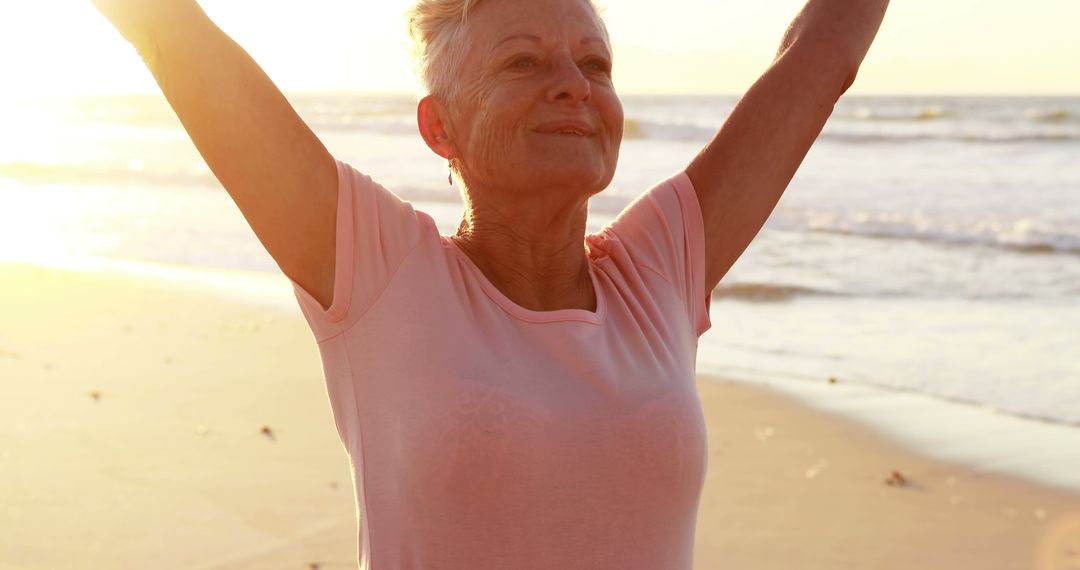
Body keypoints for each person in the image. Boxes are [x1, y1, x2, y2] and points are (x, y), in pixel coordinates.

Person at [91, 0, 888, 567]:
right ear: (441, 126)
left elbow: (819, 59)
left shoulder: (659, 272)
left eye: (594, 63)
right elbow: (172, 35)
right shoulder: (381, 275)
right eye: (523, 63)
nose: (575, 84)